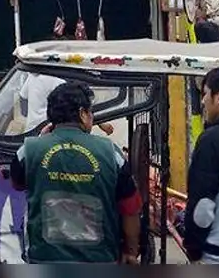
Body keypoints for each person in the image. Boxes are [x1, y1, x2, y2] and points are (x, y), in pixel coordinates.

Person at [10, 81, 141, 264]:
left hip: (43, 260)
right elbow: (130, 208)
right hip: (99, 262)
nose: (92, 117)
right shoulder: (112, 154)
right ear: (82, 114)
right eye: (90, 112)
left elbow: (17, 184)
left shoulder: (28, 150)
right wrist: (131, 251)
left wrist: (40, 141)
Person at [185, 66, 219, 265]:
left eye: (205, 94)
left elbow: (202, 206)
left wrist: (193, 248)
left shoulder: (214, 139)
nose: (203, 101)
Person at [18, 71, 115, 136]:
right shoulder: (58, 82)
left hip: (30, 130)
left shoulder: (32, 77)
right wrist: (101, 123)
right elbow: (75, 109)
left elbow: (23, 99)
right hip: (52, 132)